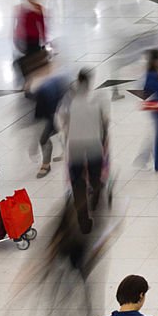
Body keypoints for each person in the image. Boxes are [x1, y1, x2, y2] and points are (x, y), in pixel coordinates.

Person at [58, 69, 109, 233]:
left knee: (77, 183)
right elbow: (105, 121)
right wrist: (103, 139)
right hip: (94, 144)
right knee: (95, 177)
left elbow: (62, 122)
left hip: (75, 146)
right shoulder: (98, 99)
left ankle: (83, 220)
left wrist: (67, 137)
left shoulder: (68, 100)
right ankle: (95, 198)